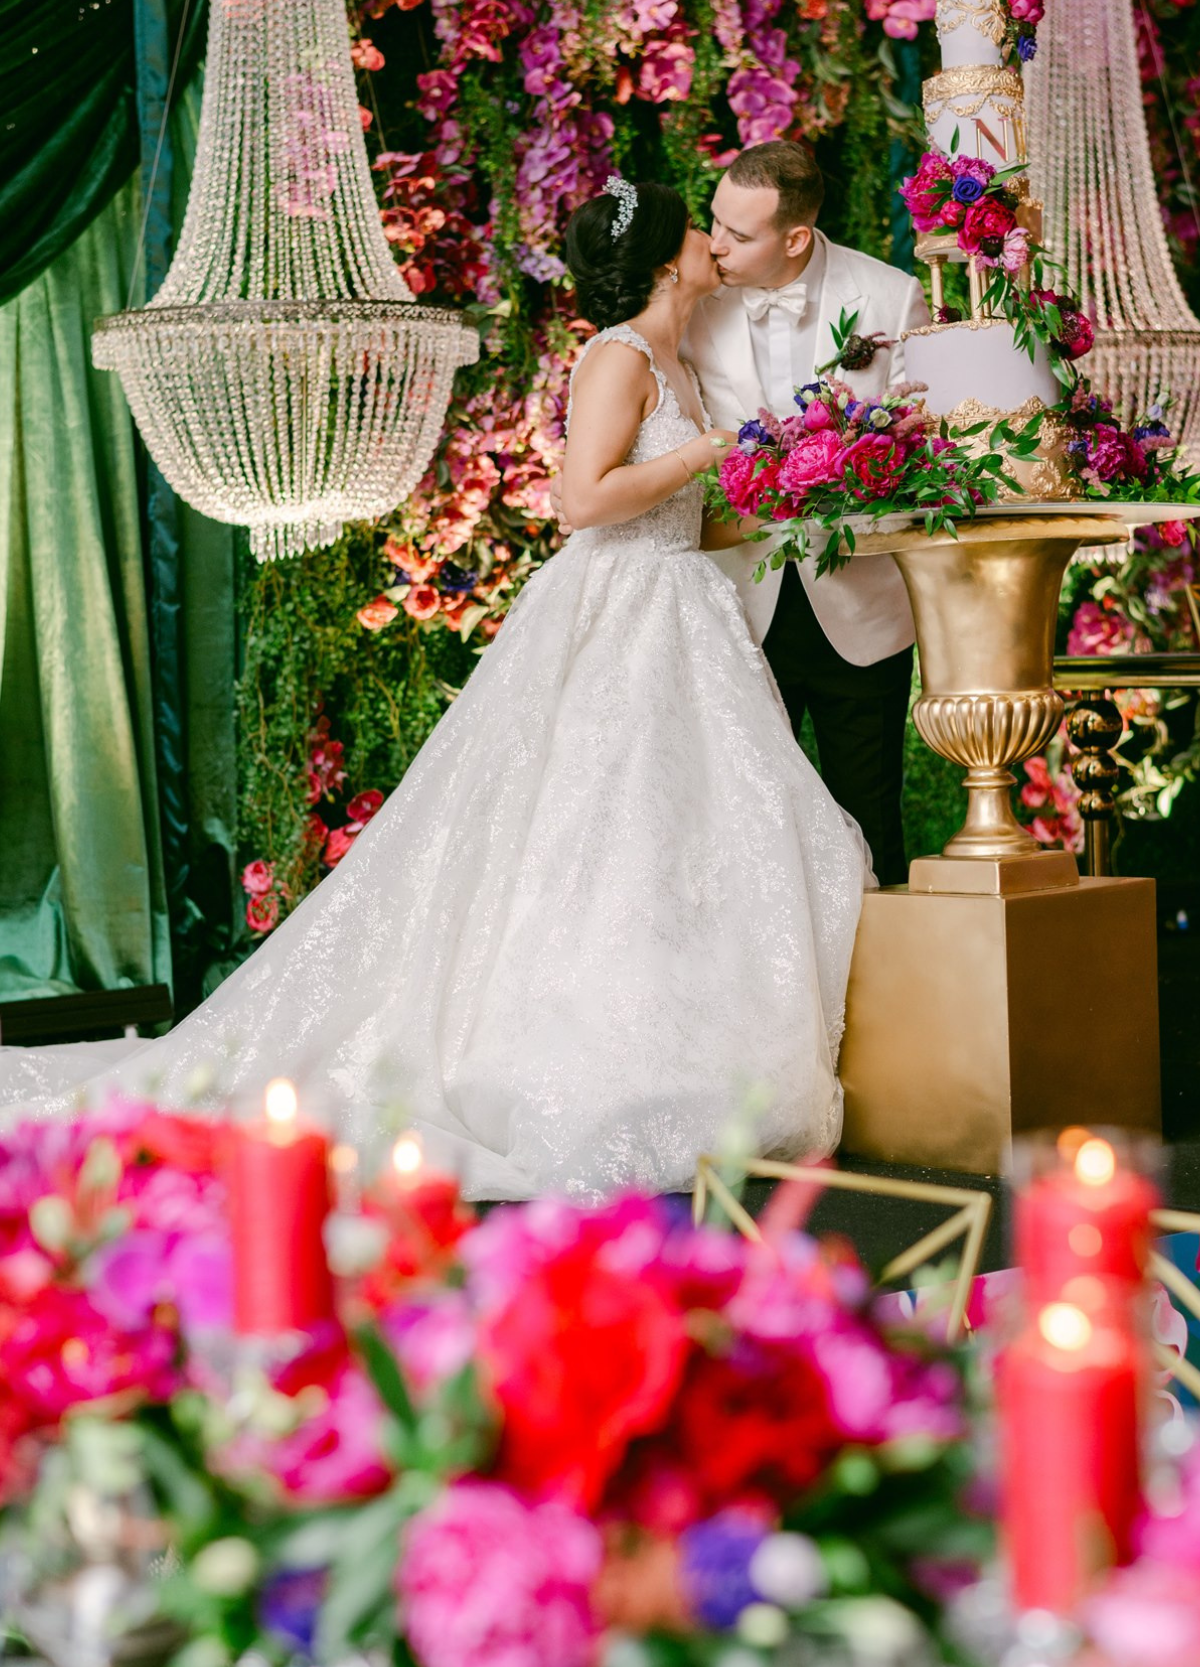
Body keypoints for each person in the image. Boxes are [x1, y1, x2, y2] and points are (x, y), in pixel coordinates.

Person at [2, 180, 871, 1203]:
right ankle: (581, 1064)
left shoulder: (679, 355)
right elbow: (581, 501)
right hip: (620, 619)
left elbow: (684, 516)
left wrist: (789, 494)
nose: (708, 242)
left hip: (685, 609)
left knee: (691, 835)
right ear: (663, 257)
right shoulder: (619, 358)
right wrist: (714, 449)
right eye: (696, 228)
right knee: (605, 829)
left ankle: (687, 1056)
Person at [687, 142, 931, 887]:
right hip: (735, 600)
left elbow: (924, 438)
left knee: (869, 816)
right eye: (715, 222)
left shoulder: (891, 297)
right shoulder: (692, 302)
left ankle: (886, 999)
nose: (715, 244)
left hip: (860, 601)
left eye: (738, 233)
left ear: (795, 237)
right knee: (742, 827)